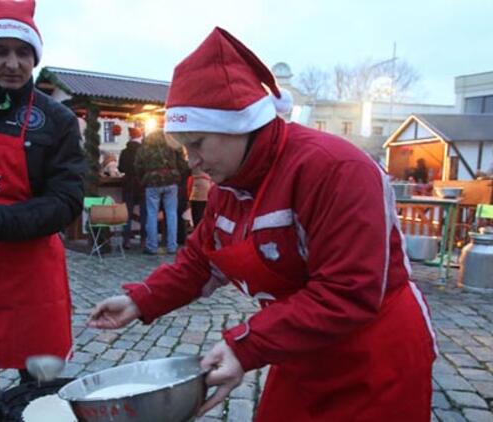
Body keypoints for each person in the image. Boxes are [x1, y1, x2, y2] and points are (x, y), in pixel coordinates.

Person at [88, 27, 436, 421]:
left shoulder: (335, 170)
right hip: (299, 345)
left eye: (198, 143)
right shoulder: (229, 185)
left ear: (241, 125)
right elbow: (202, 262)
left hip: (373, 355)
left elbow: (348, 290)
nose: (191, 161)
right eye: (183, 147)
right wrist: (141, 300)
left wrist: (245, 345)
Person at [0, 0, 85, 379]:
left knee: (41, 382)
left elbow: (67, 200)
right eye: (0, 51)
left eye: (23, 52)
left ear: (35, 57)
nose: (12, 63)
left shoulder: (57, 119)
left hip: (32, 274)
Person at [134, 129, 183, 255]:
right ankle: (172, 246)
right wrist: (178, 175)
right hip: (171, 180)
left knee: (151, 214)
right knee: (172, 214)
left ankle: (152, 246)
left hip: (152, 182)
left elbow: (137, 166)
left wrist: (143, 179)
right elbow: (182, 163)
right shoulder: (173, 144)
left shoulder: (145, 148)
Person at [118, 127, 145, 249]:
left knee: (127, 214)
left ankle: (126, 240)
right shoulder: (144, 151)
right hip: (142, 184)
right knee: (145, 214)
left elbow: (121, 168)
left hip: (128, 184)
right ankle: (144, 240)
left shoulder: (125, 152)